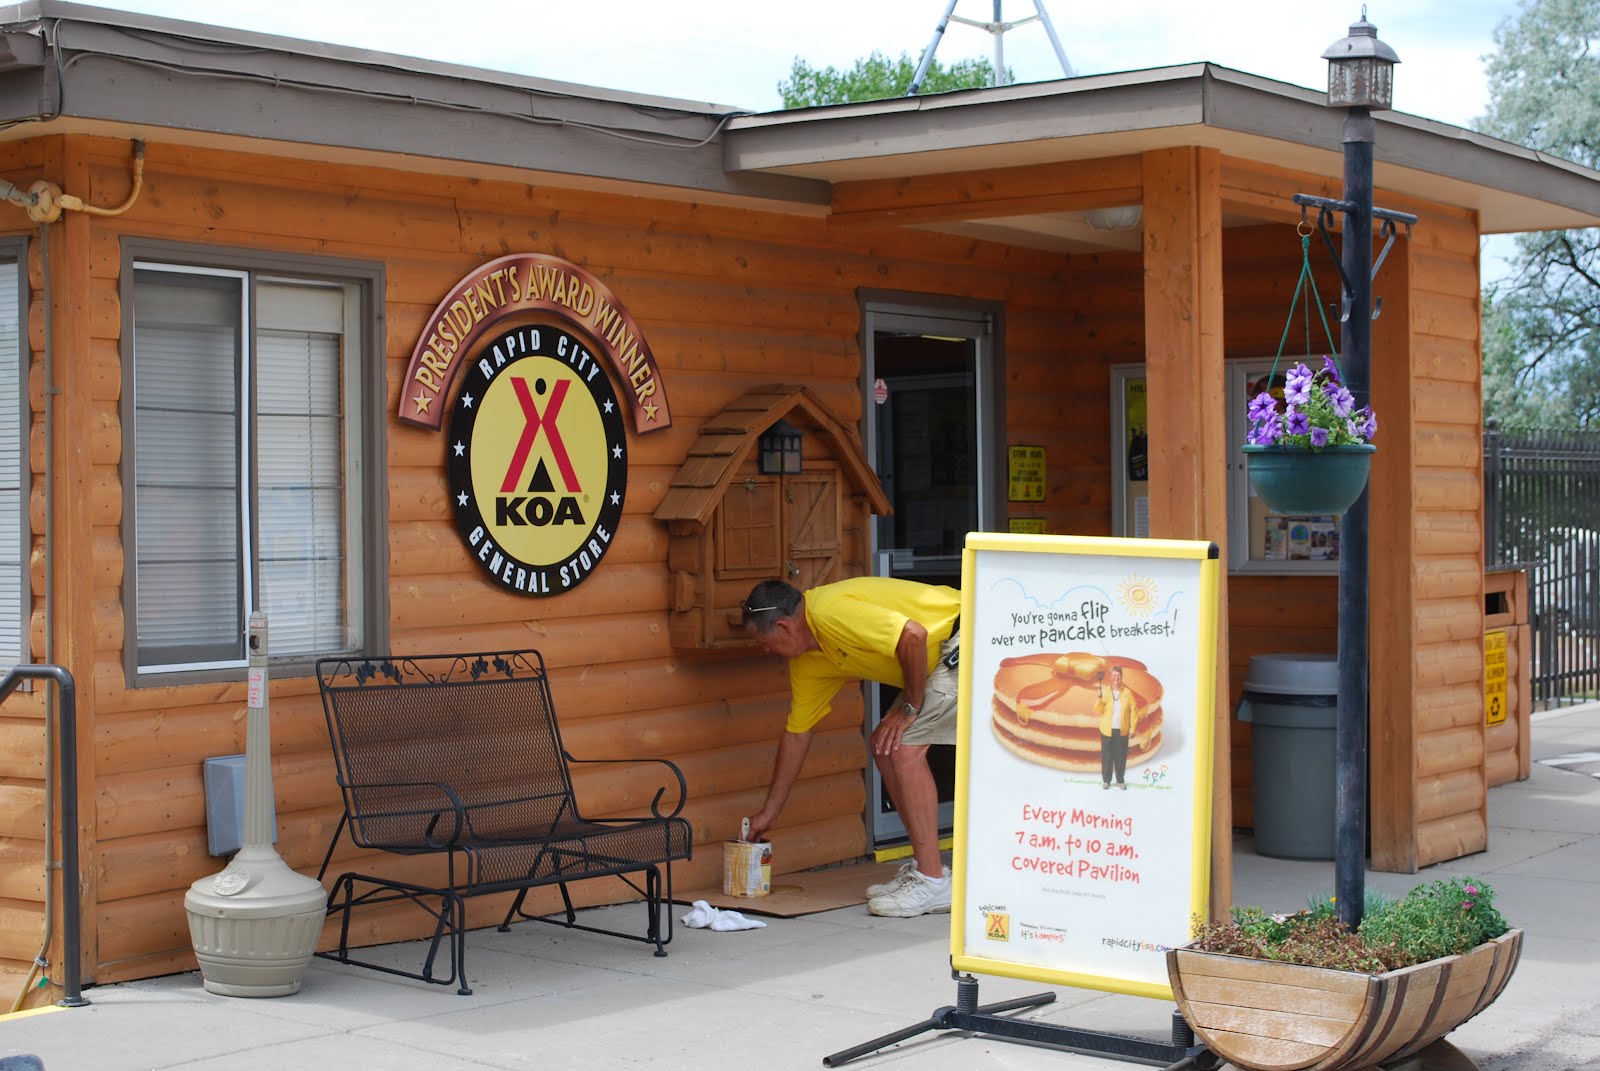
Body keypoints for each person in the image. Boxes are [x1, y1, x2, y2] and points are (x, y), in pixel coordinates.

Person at [742, 576, 960, 918]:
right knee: (886, 745)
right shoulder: (808, 660)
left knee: (902, 746)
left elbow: (913, 635)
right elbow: (798, 734)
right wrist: (770, 812)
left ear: (784, 626)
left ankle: (932, 880)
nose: (765, 651)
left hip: (968, 636)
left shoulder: (828, 612)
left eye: (764, 642)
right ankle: (926, 868)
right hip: (935, 658)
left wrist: (910, 707)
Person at [1095, 666, 1141, 790]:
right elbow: (1098, 709)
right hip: (1106, 730)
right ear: (1110, 678)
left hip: (1122, 730)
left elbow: (1134, 710)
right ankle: (1106, 781)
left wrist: (1132, 729)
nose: (1116, 678)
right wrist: (1099, 698)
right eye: (1114, 675)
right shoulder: (1104, 691)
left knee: (1120, 757)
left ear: (1121, 677)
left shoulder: (1127, 692)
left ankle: (1120, 780)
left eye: (1118, 675)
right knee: (1107, 756)